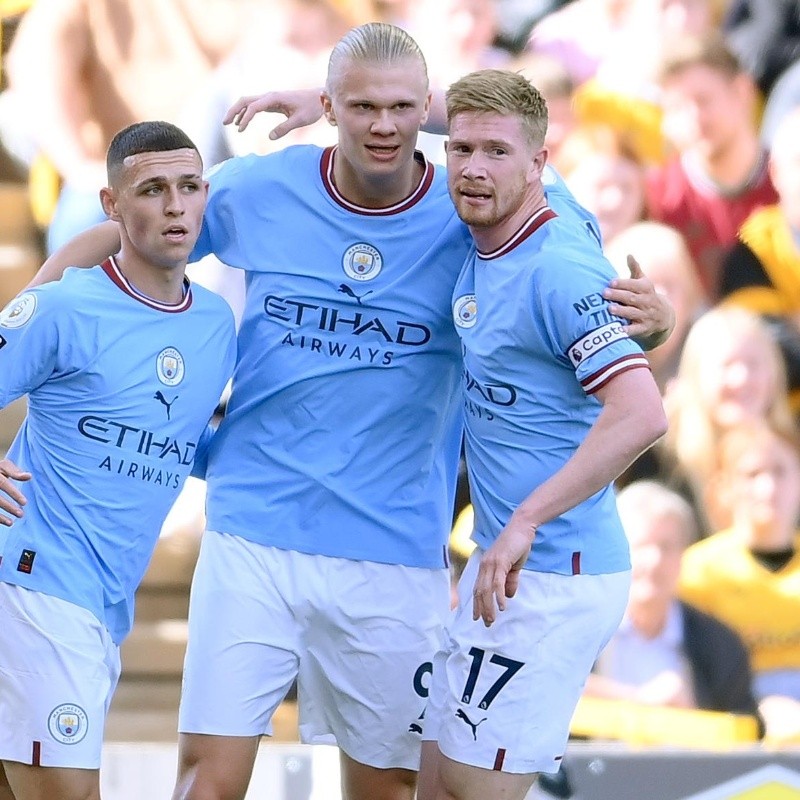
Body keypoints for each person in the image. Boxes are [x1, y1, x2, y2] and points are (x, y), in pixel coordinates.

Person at [32, 24, 673, 800]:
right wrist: (30, 319)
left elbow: (544, 203)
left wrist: (657, 318)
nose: (382, 124)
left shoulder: (469, 205)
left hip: (394, 550)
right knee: (208, 777)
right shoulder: (261, 187)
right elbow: (127, 236)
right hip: (252, 534)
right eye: (361, 106)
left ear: (424, 110)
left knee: (392, 789)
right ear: (330, 106)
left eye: (402, 107)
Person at [419, 68, 667, 800]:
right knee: (434, 780)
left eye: (497, 152)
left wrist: (527, 518)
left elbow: (643, 413)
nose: (473, 167)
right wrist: (324, 102)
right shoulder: (523, 215)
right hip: (500, 571)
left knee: (472, 784)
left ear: (539, 163)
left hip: (558, 573)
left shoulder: (556, 266)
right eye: (461, 149)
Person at [0, 121, 236, 800]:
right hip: (36, 586)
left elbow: (179, 443)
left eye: (188, 187)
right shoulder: (64, 307)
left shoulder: (215, 325)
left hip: (102, 605)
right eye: (152, 189)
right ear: (111, 205)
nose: (174, 206)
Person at [587, 480, 759, 719]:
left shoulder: (719, 644)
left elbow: (742, 727)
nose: (655, 560)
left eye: (666, 547)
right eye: (641, 545)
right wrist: (640, 699)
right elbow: (551, 686)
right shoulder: (582, 627)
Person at [679, 420, 800, 743]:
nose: (768, 488)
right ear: (724, 486)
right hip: (732, 715)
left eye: (780, 472)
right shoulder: (697, 570)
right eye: (752, 475)